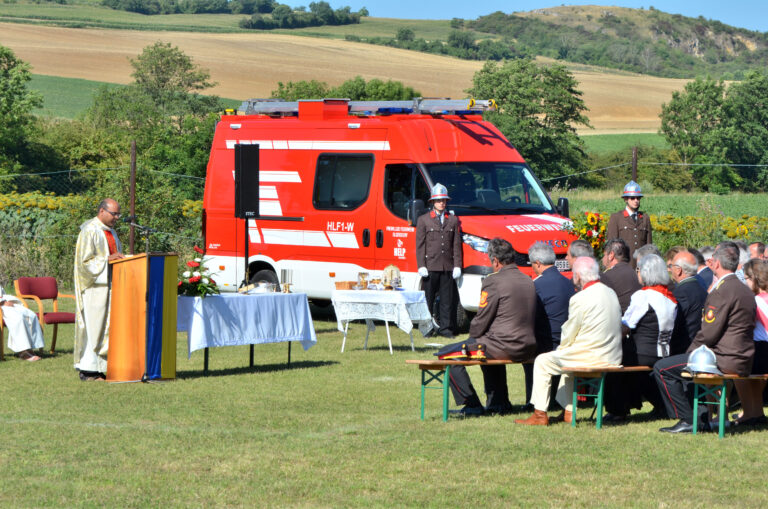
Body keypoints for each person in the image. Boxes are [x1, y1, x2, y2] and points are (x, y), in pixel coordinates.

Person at [654, 241, 756, 433]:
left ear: (716, 264)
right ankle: (699, 417)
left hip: (724, 358)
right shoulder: (744, 288)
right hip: (742, 357)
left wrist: (690, 353)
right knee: (679, 365)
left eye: (711, 260)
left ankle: (686, 419)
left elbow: (708, 333)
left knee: (662, 368)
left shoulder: (722, 290)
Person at [515, 257, 623, 426]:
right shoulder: (610, 292)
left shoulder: (580, 298)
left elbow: (569, 332)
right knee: (566, 361)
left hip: (593, 356)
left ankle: (539, 414)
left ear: (578, 276)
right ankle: (568, 412)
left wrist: (562, 348)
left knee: (542, 361)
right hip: (613, 355)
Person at [447, 238, 536, 416]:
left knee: (450, 355)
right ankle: (498, 402)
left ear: (495, 261)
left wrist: (473, 335)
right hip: (529, 345)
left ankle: (471, 404)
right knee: (484, 345)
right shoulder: (528, 280)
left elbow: (482, 318)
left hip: (505, 345)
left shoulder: (492, 282)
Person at [604, 254, 676, 420]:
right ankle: (659, 405)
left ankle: (617, 409)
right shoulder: (669, 296)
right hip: (664, 351)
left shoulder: (643, 296)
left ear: (645, 272)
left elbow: (626, 325)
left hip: (643, 352)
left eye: (638, 270)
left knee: (613, 361)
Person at [73, 198, 125, 381]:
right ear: (102, 211)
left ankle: (102, 368)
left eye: (118, 214)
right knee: (94, 328)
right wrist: (107, 260)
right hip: (94, 287)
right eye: (114, 214)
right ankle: (88, 370)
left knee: (106, 329)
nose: (117, 217)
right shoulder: (90, 230)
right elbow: (84, 262)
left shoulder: (111, 232)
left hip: (110, 286)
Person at [524, 241, 574, 406]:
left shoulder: (536, 285)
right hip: (567, 340)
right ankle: (553, 398)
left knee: (528, 353)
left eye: (532, 264)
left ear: (538, 264)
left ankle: (534, 400)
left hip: (547, 341)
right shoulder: (568, 283)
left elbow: (532, 316)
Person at [416, 183, 462, 339]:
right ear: (432, 202)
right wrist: (421, 265)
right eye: (438, 200)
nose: (441, 203)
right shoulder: (424, 220)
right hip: (430, 266)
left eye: (443, 200)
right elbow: (420, 245)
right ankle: (427, 329)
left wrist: (457, 265)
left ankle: (446, 328)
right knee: (427, 300)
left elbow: (456, 244)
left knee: (447, 300)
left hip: (447, 266)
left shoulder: (453, 220)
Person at [732, 259, 768, 426]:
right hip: (764, 352)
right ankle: (757, 412)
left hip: (761, 350)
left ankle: (748, 412)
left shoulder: (755, 301)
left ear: (754, 278)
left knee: (737, 369)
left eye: (746, 278)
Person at [668, 250, 707, 354]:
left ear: (678, 270)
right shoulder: (702, 289)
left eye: (671, 266)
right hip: (699, 347)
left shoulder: (681, 293)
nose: (670, 270)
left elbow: (673, 324)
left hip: (684, 350)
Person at [606, 180, 652, 263]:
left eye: (638, 198)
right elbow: (611, 245)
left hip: (641, 266)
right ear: (625, 199)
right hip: (623, 265)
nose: (636, 200)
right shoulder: (616, 218)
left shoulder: (645, 218)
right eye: (632, 198)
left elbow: (649, 246)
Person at [0, 284, 44, 361]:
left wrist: (8, 300)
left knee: (31, 315)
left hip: (4, 302)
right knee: (18, 318)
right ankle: (23, 352)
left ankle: (30, 348)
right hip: (1, 307)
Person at [601, 238, 641, 314]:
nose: (603, 259)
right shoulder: (636, 274)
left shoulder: (607, 277)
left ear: (611, 255)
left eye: (604, 255)